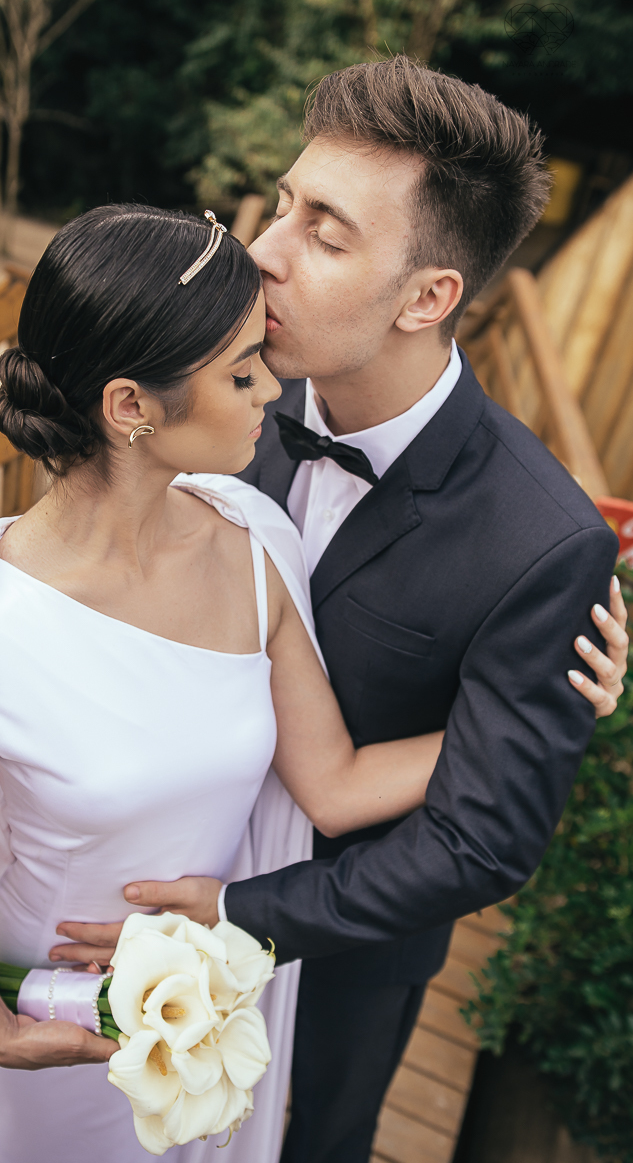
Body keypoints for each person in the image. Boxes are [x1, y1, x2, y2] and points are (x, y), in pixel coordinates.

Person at [0, 203, 517, 1163]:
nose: (270, 393)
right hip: (39, 1031)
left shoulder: (252, 547)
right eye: (240, 374)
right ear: (130, 408)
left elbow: (335, 782)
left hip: (200, 1031)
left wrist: (535, 708)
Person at [65, 58, 629, 1162]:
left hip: (342, 959)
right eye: (282, 204)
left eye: (325, 234)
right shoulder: (214, 407)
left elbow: (482, 836)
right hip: (123, 872)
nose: (263, 251)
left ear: (429, 297)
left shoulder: (544, 544)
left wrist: (242, 916)